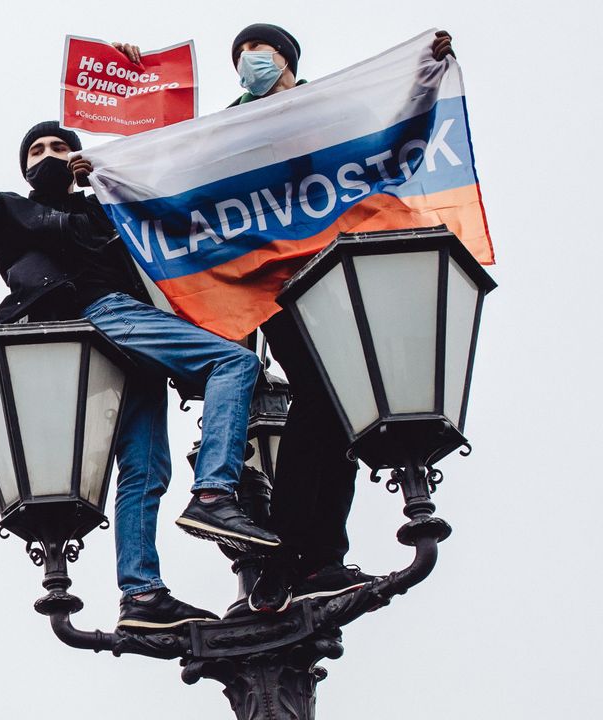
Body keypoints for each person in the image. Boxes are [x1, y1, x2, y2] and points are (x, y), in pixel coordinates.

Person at [0, 111, 280, 631]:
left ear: (76, 162)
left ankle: (141, 595)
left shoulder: (110, 213)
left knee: (145, 469)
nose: (46, 155)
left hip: (135, 340)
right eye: (36, 150)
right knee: (233, 361)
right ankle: (213, 493)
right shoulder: (9, 213)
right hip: (101, 316)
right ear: (25, 168)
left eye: (57, 147)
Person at [221, 24, 456, 613]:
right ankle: (311, 552)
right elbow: (171, 169)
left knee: (338, 409)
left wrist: (425, 73)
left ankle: (308, 556)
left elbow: (395, 142)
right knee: (327, 398)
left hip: (339, 279)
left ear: (288, 59)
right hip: (279, 285)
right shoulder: (226, 128)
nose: (250, 61)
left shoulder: (330, 110)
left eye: (261, 51)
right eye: (241, 56)